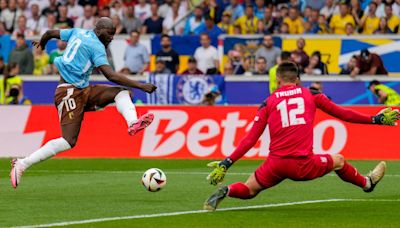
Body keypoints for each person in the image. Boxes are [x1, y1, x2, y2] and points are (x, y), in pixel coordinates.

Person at [203, 61, 400, 211]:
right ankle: (367, 184)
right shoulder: (311, 94)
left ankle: (227, 190)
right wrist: (375, 119)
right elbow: (343, 114)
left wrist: (226, 163)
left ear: (278, 80)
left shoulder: (267, 103)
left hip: (275, 165)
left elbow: (250, 139)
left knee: (249, 188)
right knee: (338, 160)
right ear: (297, 79)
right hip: (302, 164)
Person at [10, 17, 157, 189]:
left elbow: (50, 33)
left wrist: (42, 44)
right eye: (109, 33)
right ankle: (22, 164)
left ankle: (133, 123)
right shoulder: (96, 47)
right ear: (99, 29)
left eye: (114, 34)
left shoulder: (77, 32)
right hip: (68, 93)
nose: (111, 37)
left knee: (122, 92)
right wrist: (141, 85)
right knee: (68, 141)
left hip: (82, 90)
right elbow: (111, 75)